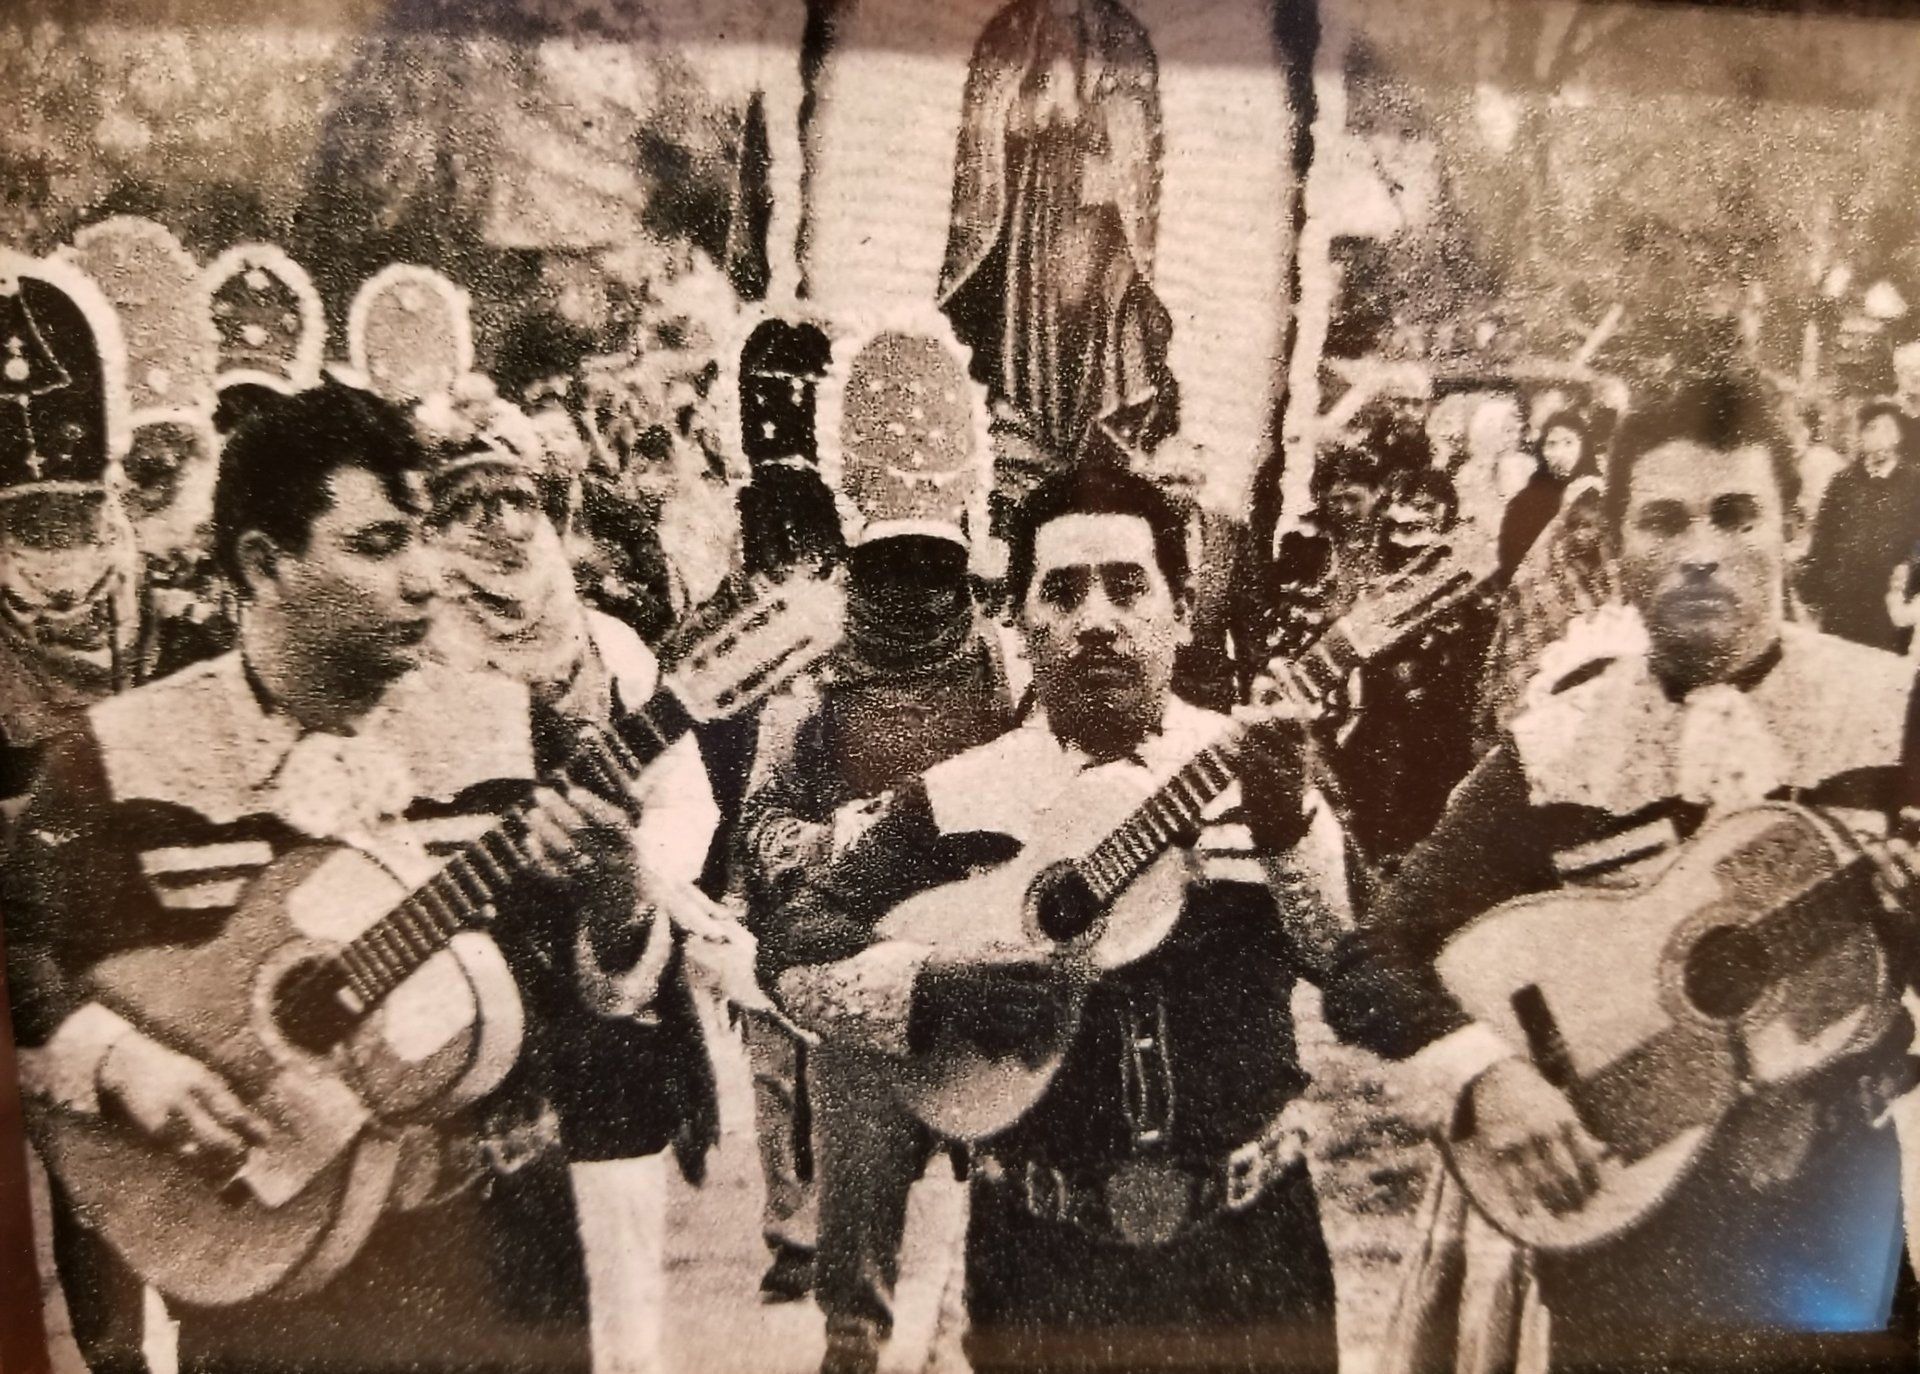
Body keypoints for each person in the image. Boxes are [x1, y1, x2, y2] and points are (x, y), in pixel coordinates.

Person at [3, 381, 678, 1374]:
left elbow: (602, 1025)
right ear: (263, 564)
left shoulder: (513, 732)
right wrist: (118, 1062)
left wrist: (617, 894)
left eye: (422, 538)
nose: (425, 579)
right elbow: (22, 950)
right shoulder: (123, 756)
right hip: (263, 1269)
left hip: (503, 1267)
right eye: (376, 545)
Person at [1330, 374, 1920, 1373]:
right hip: (1627, 1245)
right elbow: (1372, 959)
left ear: (1794, 529)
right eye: (1664, 520)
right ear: (1613, 547)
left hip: (1834, 1226)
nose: (1702, 550)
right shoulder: (1554, 750)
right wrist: (1488, 1079)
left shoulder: (1894, 713)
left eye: (1736, 515)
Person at [771, 465, 1355, 1373]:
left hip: (1252, 1261)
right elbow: (793, 950)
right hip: (1041, 1271)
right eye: (1063, 592)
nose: (1097, 621)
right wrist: (929, 988)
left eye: (1128, 586)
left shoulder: (1261, 765)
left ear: (1182, 612)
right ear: (1019, 619)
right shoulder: (959, 797)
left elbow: (1356, 970)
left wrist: (1286, 829)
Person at [413, 373, 724, 1370]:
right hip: (461, 1006)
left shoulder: (611, 646)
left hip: (606, 993)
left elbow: (687, 800)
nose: (503, 525)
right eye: (470, 505)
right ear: (431, 529)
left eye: (518, 499)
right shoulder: (413, 654)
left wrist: (627, 883)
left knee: (620, 1264)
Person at [742, 325, 1018, 1365]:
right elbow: (761, 827)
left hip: (983, 955)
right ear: (859, 565)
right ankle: (854, 1340)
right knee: (858, 1202)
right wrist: (840, 842)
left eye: (933, 566)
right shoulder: (810, 680)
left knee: (1005, 1199)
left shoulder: (1004, 667)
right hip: (860, 965)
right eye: (891, 565)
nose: (914, 587)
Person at [938, 0, 1178, 469]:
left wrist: (1093, 118)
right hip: (1032, 203)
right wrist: (1037, 106)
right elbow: (990, 115)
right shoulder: (1014, 27)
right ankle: (1027, 418)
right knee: (1029, 304)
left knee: (1090, 306)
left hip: (1094, 204)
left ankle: (1086, 429)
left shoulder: (1121, 34)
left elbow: (1136, 122)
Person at [1801, 398, 1920, 652]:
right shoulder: (1842, 482)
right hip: (1844, 596)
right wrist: (1813, 588)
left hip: (1889, 600)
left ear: (1899, 437)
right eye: (1872, 428)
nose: (1879, 437)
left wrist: (1908, 570)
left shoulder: (1914, 483)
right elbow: (1823, 537)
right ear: (1862, 436)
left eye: (1888, 429)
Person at [1497, 411, 1594, 585]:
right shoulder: (1528, 497)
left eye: (1569, 442)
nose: (1560, 453)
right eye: (1552, 444)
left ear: (1584, 446)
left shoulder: (1594, 489)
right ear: (1543, 449)